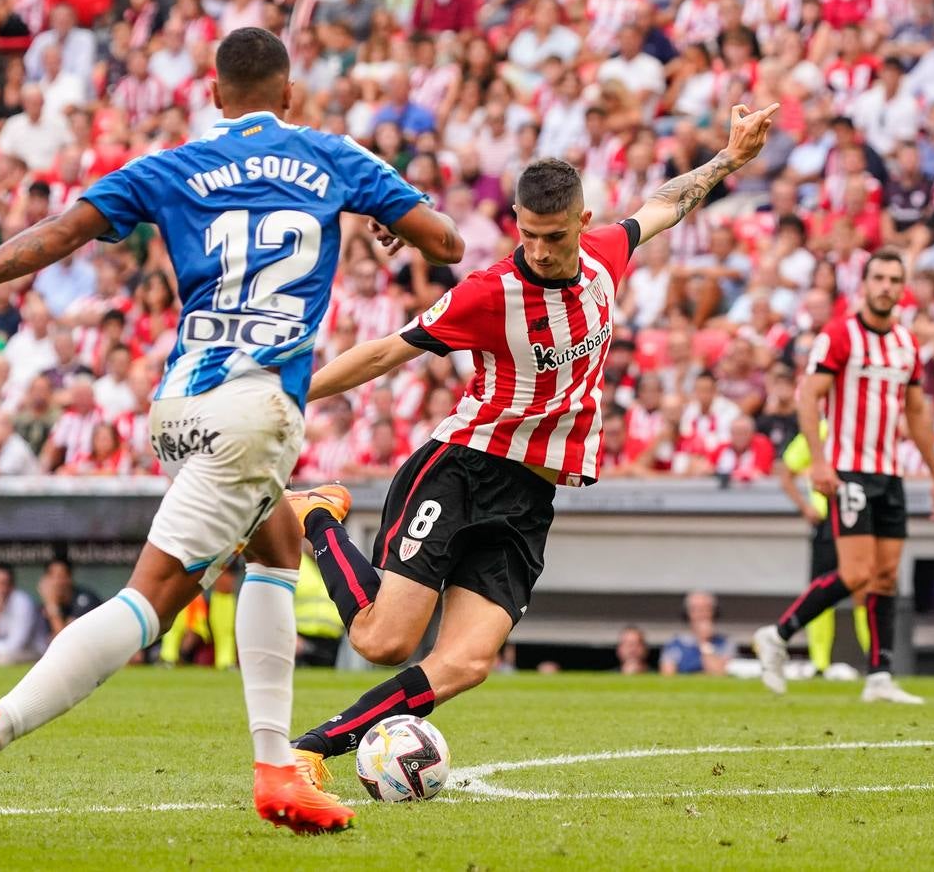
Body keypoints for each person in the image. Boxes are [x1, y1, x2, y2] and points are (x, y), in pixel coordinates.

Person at [0, 28, 462, 835]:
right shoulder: (331, 154)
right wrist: (387, 218)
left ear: (214, 94)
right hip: (256, 411)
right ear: (287, 95)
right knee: (150, 600)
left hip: (178, 408)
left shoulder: (171, 165)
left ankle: (275, 767)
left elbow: (56, 234)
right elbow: (446, 241)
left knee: (278, 543)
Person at [286, 104, 780, 784]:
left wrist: (729, 159)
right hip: (460, 468)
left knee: (465, 663)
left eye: (553, 236)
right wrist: (290, 397)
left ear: (582, 223)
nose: (540, 250)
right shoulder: (488, 295)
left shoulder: (606, 253)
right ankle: (316, 514)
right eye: (528, 234)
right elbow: (382, 354)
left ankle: (310, 749)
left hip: (528, 495)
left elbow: (665, 204)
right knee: (382, 640)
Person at [754, 251, 934, 704]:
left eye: (894, 279)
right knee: (856, 573)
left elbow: (916, 413)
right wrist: (820, 463)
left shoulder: (906, 342)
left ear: (903, 288)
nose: (886, 286)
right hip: (849, 470)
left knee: (885, 576)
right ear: (864, 283)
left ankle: (879, 676)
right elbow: (809, 398)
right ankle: (778, 635)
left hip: (890, 473)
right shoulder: (840, 334)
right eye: (878, 277)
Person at [774, 425, 870, 677]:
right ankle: (820, 662)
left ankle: (875, 662)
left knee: (864, 588)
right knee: (822, 589)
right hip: (827, 522)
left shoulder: (860, 426)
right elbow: (784, 470)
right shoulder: (818, 430)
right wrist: (805, 507)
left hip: (858, 514)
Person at [659, 592, 734, 676]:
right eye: (696, 610)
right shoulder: (674, 644)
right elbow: (668, 676)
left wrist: (704, 643)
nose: (701, 614)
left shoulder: (725, 643)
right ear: (687, 613)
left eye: (706, 609)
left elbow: (720, 673)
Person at [34, 559, 101, 650]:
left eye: (61, 576)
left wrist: (51, 604)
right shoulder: (45, 606)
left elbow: (67, 644)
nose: (57, 582)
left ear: (70, 578)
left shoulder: (85, 600)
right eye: (52, 577)